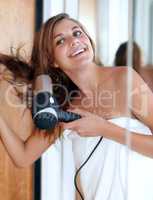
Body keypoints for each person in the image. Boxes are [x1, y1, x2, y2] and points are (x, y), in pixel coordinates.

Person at [0, 13, 153, 200]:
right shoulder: (64, 107)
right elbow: (23, 157)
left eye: (77, 32)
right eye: (60, 41)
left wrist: (104, 128)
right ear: (52, 60)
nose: (74, 41)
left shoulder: (125, 79)